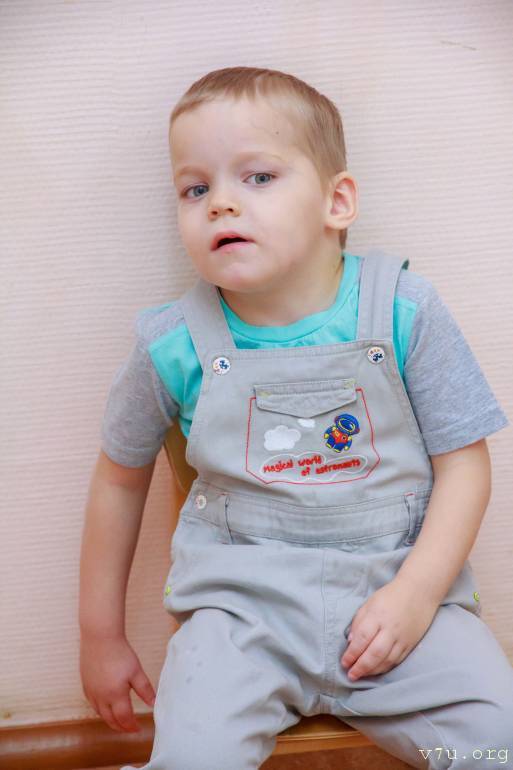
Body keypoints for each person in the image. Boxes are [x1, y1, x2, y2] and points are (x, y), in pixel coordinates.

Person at [79, 66, 513, 770]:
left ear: (336, 201)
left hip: (400, 597)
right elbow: (118, 480)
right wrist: (100, 636)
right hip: (239, 618)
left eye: (257, 177)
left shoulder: (405, 312)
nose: (221, 203)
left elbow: (465, 466)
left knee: (499, 742)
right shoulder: (172, 344)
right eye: (195, 189)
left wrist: (415, 594)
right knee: (192, 757)